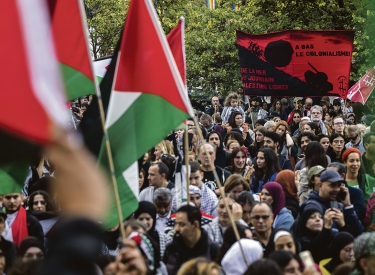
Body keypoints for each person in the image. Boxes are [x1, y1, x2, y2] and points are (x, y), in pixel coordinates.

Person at [300, 169, 363, 237]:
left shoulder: (337, 205)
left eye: (339, 186)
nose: (336, 189)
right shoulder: (312, 207)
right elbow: (315, 241)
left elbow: (359, 232)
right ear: (320, 186)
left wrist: (348, 206)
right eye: (332, 185)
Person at [163, 205, 219, 275]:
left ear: (195, 225)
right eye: (176, 224)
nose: (176, 228)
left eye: (182, 224)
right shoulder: (171, 249)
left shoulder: (212, 250)